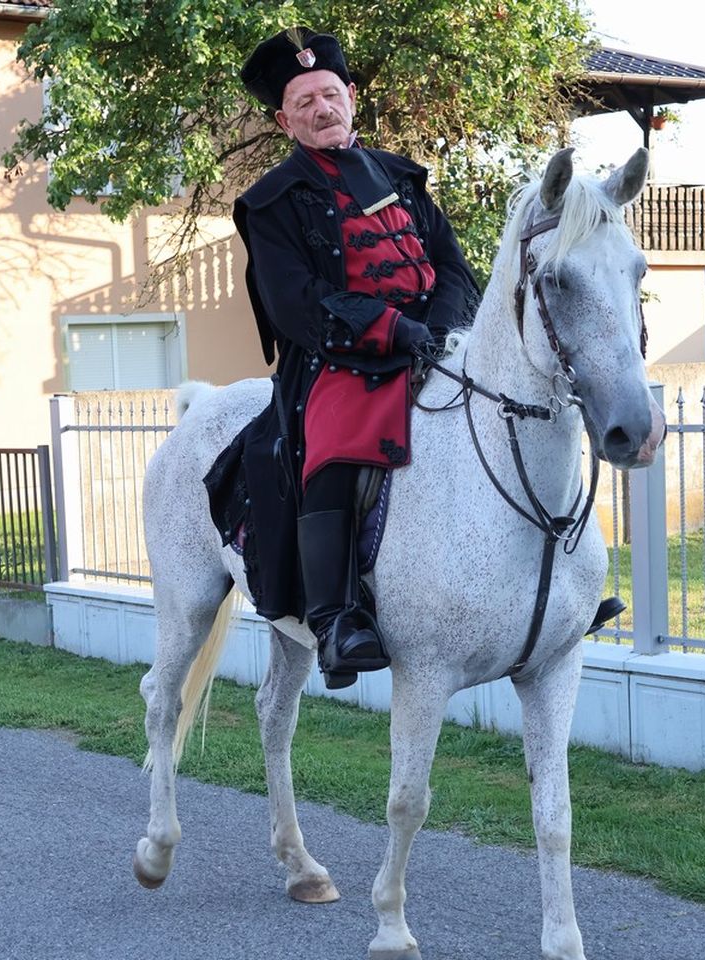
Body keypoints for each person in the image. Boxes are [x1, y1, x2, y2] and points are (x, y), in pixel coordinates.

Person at [218, 27, 480, 690]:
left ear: (351, 98)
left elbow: (452, 267)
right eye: (304, 102)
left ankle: (539, 594)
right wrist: (392, 330)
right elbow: (296, 303)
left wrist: (440, 330)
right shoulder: (272, 200)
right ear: (284, 119)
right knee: (335, 444)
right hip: (339, 362)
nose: (321, 108)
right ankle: (338, 621)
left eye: (329, 94)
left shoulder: (401, 175)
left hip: (432, 344)